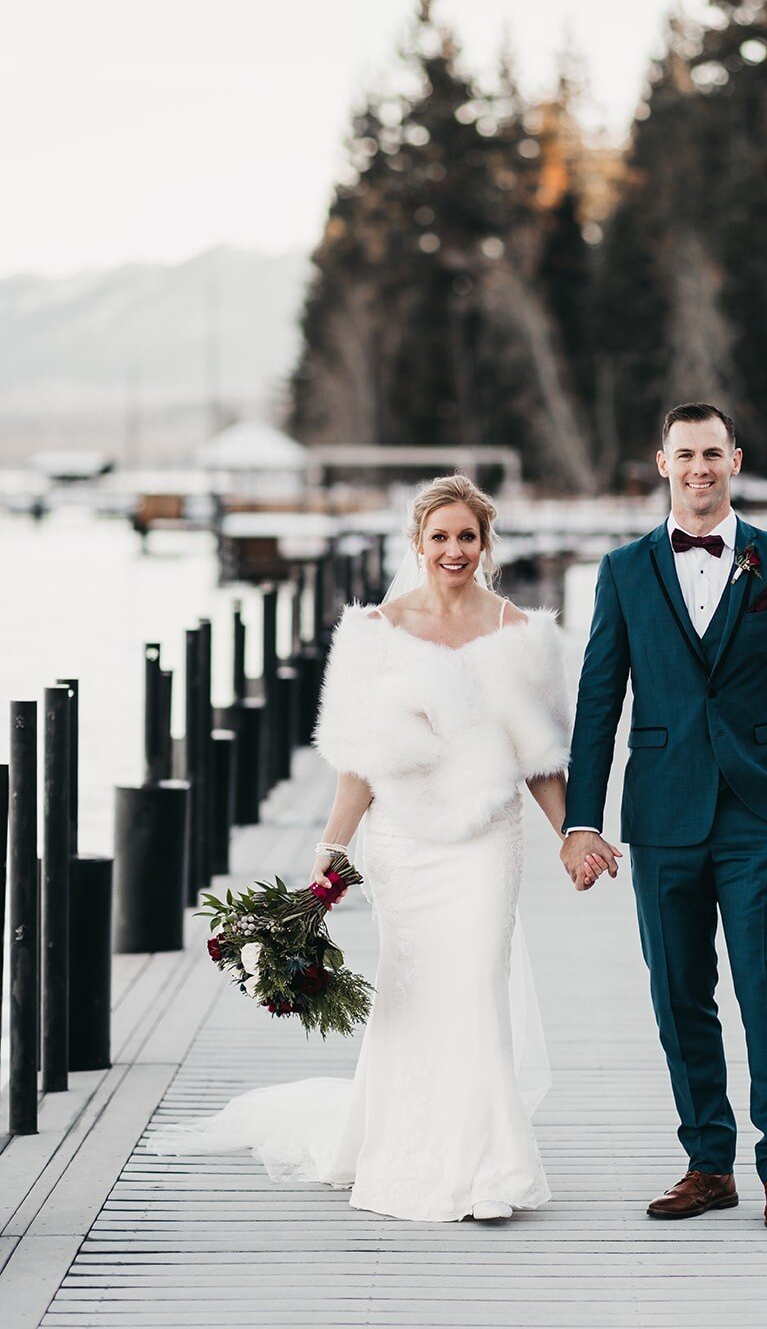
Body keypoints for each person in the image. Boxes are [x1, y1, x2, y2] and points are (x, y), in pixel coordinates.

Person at [154, 473, 579, 1223]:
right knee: (414, 994)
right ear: (417, 544)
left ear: (486, 543)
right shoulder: (373, 633)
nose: (454, 550)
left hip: (486, 838)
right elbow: (358, 761)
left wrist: (573, 836)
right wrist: (331, 843)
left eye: (467, 536)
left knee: (478, 981)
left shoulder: (522, 632)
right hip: (403, 844)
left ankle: (490, 1170)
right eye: (440, 536)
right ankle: (403, 1143)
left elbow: (542, 756)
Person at [561, 403, 767, 1231]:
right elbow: (597, 704)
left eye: (712, 454)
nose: (699, 469)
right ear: (661, 462)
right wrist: (583, 819)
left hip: (760, 812)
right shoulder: (623, 571)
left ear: (736, 460)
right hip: (662, 816)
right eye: (684, 454)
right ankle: (707, 1163)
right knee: (679, 992)